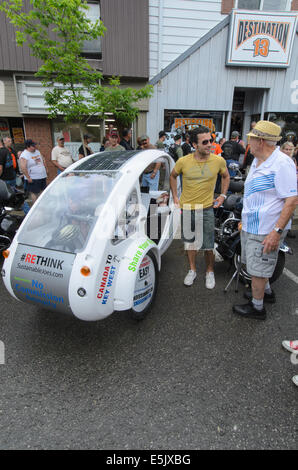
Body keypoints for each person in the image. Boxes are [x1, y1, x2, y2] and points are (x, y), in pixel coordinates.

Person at [233, 121, 298, 320]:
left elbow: (292, 199)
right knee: (255, 264)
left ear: (260, 141)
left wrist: (276, 232)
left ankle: (257, 307)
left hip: (266, 228)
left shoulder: (281, 163)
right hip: (253, 225)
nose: (248, 141)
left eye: (251, 137)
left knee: (259, 269)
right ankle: (265, 293)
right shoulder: (258, 158)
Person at [170, 126, 230, 288]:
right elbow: (173, 176)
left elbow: (226, 176)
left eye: (211, 140)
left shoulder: (218, 160)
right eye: (205, 142)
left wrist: (223, 195)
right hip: (188, 208)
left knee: (208, 244)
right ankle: (192, 270)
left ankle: (209, 272)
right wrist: (175, 196)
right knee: (190, 243)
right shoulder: (183, 161)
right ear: (195, 145)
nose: (210, 144)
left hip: (207, 209)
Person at [19, 139, 48, 205]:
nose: (35, 147)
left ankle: (42, 204)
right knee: (34, 193)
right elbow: (23, 167)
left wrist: (46, 169)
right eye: (33, 146)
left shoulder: (37, 151)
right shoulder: (24, 154)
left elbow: (43, 160)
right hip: (33, 177)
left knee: (42, 191)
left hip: (42, 175)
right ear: (28, 147)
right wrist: (28, 177)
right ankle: (36, 206)